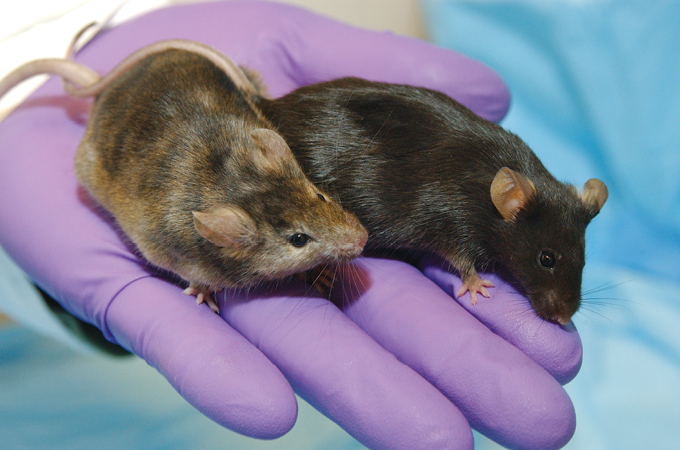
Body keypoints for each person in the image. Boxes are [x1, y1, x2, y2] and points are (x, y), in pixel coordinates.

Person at [0, 1, 581, 449]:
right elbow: (165, 243)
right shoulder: (199, 239)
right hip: (130, 133)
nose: (353, 239)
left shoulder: (270, 157)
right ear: (228, 242)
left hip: (176, 72)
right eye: (304, 238)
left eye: (322, 198)